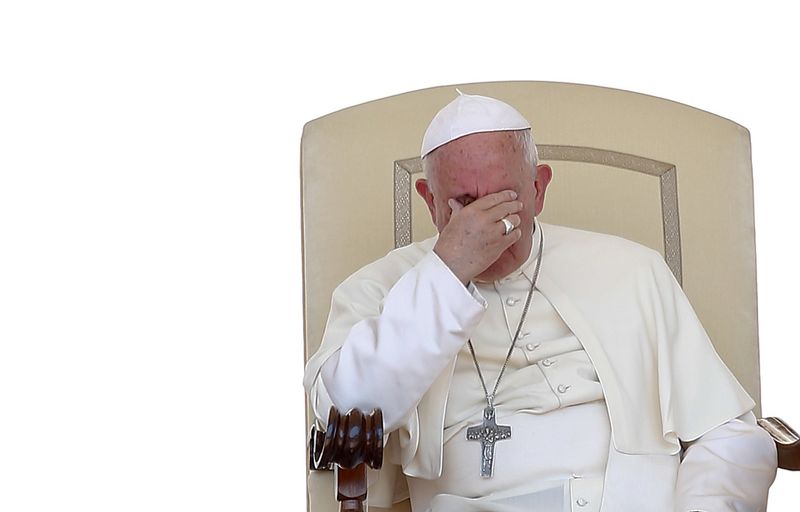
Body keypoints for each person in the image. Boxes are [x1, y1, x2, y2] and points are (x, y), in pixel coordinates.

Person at [303, 91, 777, 512]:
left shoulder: (633, 269)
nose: (490, 228)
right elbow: (345, 407)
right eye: (465, 205)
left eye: (505, 199)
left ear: (539, 187)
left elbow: (730, 435)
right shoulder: (382, 285)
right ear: (429, 200)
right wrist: (446, 272)